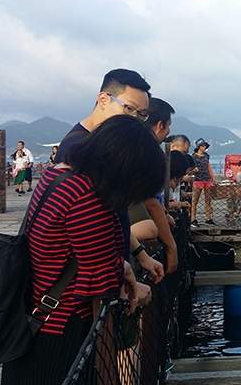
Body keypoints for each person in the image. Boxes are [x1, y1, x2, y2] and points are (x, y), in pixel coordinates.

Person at [0, 115, 162, 385]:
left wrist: (124, 268)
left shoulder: (58, 175)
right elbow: (97, 280)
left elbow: (83, 254)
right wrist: (133, 283)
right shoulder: (86, 198)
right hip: (60, 328)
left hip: (35, 312)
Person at [54, 69, 166, 277]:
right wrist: (123, 277)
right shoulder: (78, 149)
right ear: (103, 99)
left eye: (141, 115)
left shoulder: (102, 146)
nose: (134, 120)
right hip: (79, 286)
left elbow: (113, 213)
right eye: (129, 109)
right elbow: (88, 230)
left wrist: (140, 254)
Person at [129, 98, 179, 279]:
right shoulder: (149, 149)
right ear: (160, 125)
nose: (168, 131)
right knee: (150, 229)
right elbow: (151, 202)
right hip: (124, 209)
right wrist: (171, 247)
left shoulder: (129, 140)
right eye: (169, 125)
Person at [191, 138, 216, 226]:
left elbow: (209, 166)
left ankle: (208, 218)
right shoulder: (193, 156)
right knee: (195, 201)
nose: (205, 147)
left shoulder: (207, 156)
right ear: (199, 146)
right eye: (203, 145)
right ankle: (193, 219)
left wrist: (212, 177)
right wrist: (194, 170)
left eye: (205, 145)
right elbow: (190, 168)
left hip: (207, 180)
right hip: (197, 180)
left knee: (208, 200)